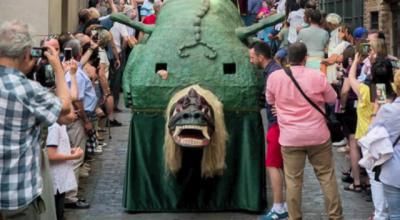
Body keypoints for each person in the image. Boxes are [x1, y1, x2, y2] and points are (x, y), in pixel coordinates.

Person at [0, 20, 74, 220]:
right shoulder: (27, 90)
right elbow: (65, 105)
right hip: (17, 197)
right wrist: (58, 67)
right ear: (26, 53)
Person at [266, 42, 343, 220]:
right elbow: (332, 99)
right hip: (317, 135)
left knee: (293, 181)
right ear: (305, 58)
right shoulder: (317, 76)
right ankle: (335, 216)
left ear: (287, 59)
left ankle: (295, 217)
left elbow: (270, 101)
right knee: (326, 176)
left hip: (290, 137)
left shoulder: (275, 78)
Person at [249, 42, 288, 220]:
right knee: (280, 165)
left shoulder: (273, 73)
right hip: (278, 124)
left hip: (277, 125)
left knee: (273, 165)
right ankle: (284, 204)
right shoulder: (273, 70)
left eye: (252, 57)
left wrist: (280, 108)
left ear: (260, 57)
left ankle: (279, 207)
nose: (251, 61)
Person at [373, 70, 400, 219]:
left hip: (394, 170)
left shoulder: (387, 110)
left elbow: (372, 135)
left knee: (395, 214)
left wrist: (375, 111)